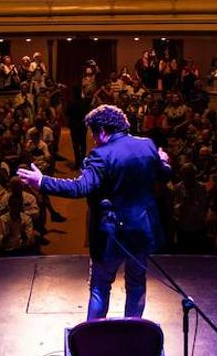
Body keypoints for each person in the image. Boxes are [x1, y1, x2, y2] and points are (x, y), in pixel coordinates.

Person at [18, 105, 171, 319]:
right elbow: (164, 175)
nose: (93, 139)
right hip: (142, 230)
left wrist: (42, 182)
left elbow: (80, 188)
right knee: (136, 284)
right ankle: (133, 334)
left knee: (100, 287)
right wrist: (163, 160)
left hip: (112, 236)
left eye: (93, 133)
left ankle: (95, 338)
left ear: (101, 129)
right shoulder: (147, 145)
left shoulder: (101, 155)